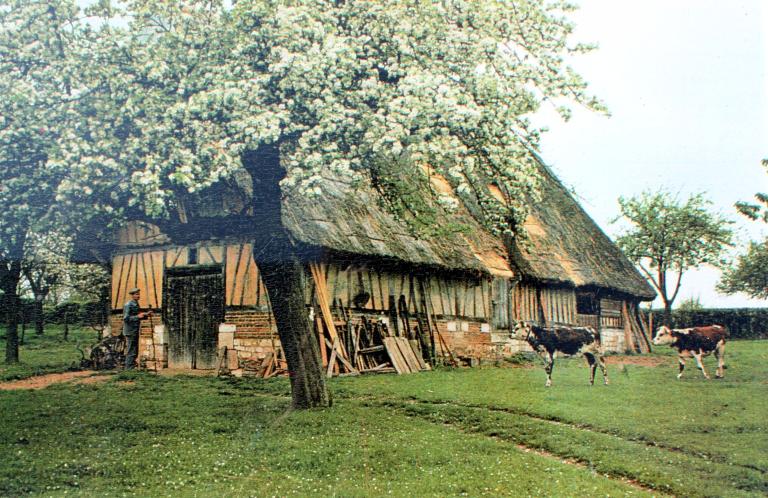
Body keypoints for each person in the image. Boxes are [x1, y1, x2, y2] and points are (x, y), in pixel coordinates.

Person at [122, 288, 152, 370]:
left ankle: (131, 367)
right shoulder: (128, 305)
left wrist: (145, 315)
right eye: (136, 294)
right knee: (131, 350)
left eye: (138, 294)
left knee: (135, 350)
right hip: (130, 330)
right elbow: (126, 318)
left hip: (135, 330)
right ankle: (128, 369)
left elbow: (137, 316)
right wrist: (137, 316)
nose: (138, 296)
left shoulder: (135, 304)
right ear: (132, 295)